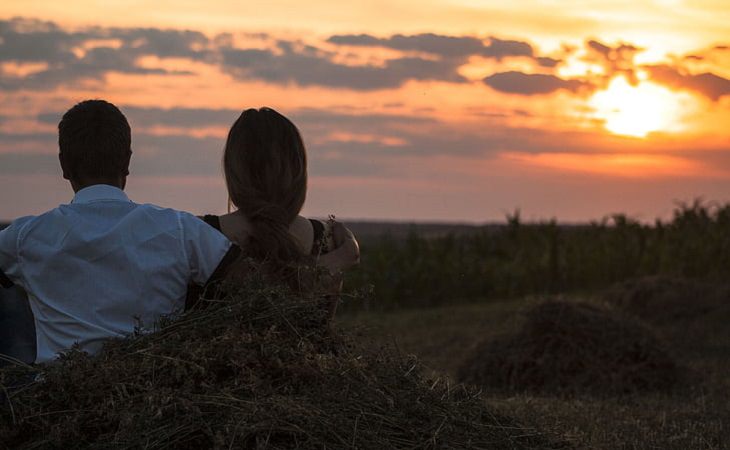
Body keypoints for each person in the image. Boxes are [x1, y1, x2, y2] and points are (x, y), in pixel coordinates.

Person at [198, 107, 359, 318]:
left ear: (234, 170)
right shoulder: (327, 240)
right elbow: (323, 332)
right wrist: (338, 260)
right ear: (298, 169)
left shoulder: (200, 233)